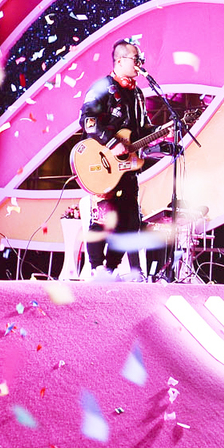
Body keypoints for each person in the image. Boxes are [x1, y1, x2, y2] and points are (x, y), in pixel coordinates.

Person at [78, 39, 155, 276]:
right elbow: (87, 121)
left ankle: (110, 269)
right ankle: (95, 268)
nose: (140, 64)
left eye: (141, 60)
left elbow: (142, 130)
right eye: (136, 59)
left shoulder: (138, 94)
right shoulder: (102, 87)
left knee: (129, 222)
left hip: (127, 168)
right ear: (120, 61)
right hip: (102, 162)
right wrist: (111, 143)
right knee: (103, 218)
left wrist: (164, 132)